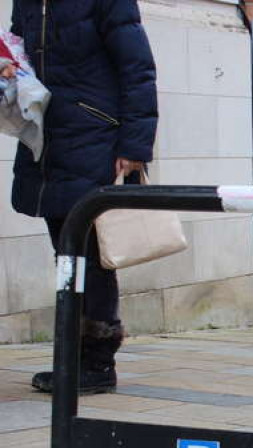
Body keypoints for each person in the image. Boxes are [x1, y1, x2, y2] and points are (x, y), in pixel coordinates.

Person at [4, 0, 158, 394]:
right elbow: (18, 51)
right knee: (67, 251)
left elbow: (137, 68)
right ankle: (76, 356)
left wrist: (135, 145)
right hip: (46, 138)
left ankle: (97, 360)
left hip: (95, 137)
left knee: (91, 252)